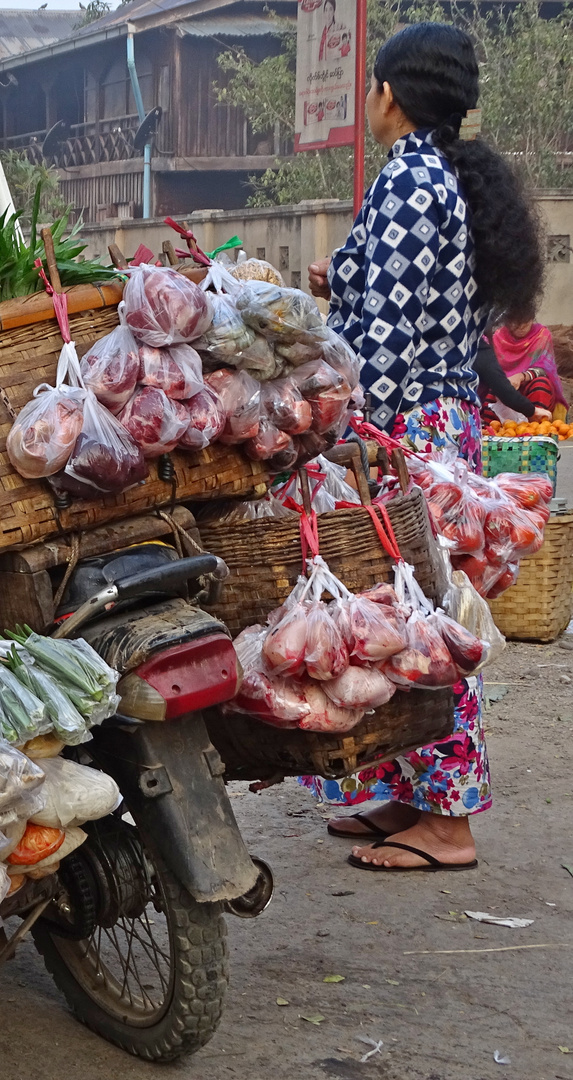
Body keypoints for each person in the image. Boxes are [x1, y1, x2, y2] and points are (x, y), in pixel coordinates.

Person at [305, 22, 544, 873]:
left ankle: (448, 824)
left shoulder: (410, 176)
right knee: (401, 617)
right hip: (430, 423)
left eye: (372, 88)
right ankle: (410, 796)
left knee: (429, 622)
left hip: (405, 433)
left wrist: (341, 434)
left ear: (389, 95)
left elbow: (389, 337)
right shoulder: (440, 178)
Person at [489, 319, 566, 422]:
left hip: (532, 390)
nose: (521, 328)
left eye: (525, 323)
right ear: (507, 322)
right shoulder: (498, 337)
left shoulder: (541, 335)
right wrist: (505, 384)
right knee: (489, 389)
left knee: (541, 384)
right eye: (516, 323)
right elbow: (490, 369)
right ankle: (491, 429)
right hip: (504, 390)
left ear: (531, 319)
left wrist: (521, 376)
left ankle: (537, 426)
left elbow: (546, 369)